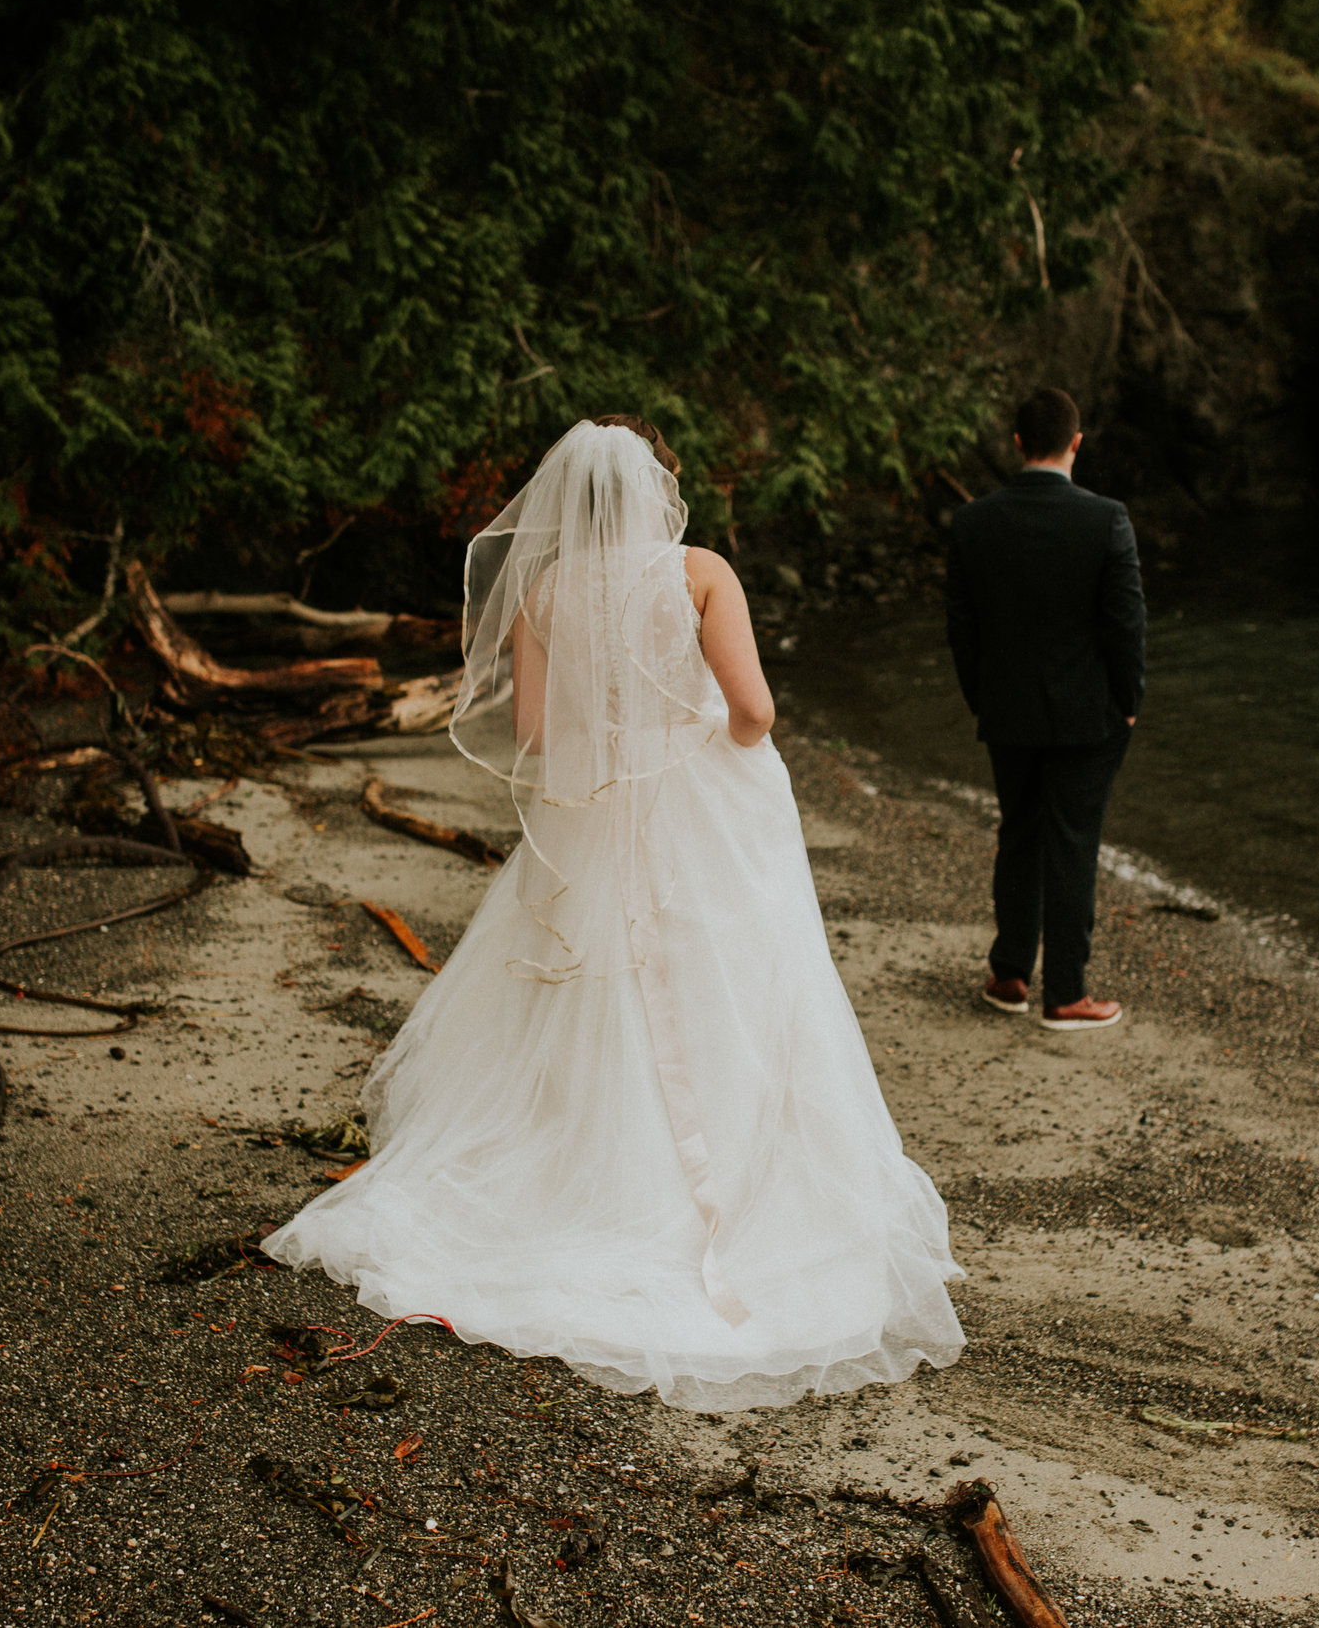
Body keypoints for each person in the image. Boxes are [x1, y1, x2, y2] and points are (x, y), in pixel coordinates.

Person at [264, 416, 964, 1411]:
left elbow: (541, 733)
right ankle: (724, 1191)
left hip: (590, 815)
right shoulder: (699, 572)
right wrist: (687, 731)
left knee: (596, 996)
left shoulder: (543, 590)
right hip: (700, 810)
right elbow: (754, 710)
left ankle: (586, 1181)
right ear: (658, 490)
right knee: (729, 986)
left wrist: (618, 735)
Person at [943, 388, 1147, 1031]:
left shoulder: (973, 522)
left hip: (1007, 712)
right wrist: (1130, 700)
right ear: (1076, 443)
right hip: (1087, 716)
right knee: (1072, 845)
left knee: (1020, 833)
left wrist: (983, 697)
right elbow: (1125, 624)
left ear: (1017, 444)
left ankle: (1009, 975)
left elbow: (962, 627)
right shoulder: (1107, 519)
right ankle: (1065, 994)